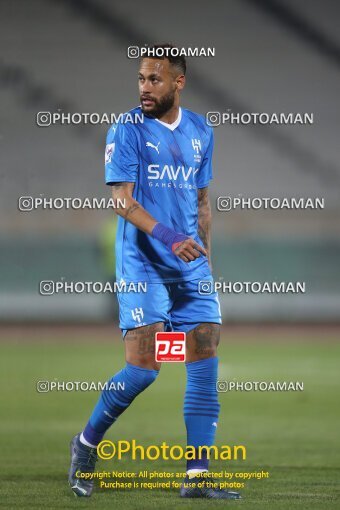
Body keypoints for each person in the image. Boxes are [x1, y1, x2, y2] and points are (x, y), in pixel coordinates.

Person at [68, 43, 240, 500]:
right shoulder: (125, 129)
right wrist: (170, 238)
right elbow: (121, 201)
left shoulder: (201, 130)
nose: (145, 87)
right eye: (141, 78)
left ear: (178, 82)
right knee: (145, 370)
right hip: (144, 264)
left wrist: (208, 260)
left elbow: (203, 203)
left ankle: (197, 478)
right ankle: (85, 445)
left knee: (203, 360)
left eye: (155, 79)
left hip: (191, 266)